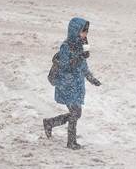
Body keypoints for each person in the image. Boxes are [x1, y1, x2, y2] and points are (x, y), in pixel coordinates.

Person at [43, 17, 101, 150]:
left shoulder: (82, 44)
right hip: (66, 84)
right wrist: (78, 57)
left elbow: (83, 67)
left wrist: (91, 78)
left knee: (76, 113)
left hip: (77, 85)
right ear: (75, 31)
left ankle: (50, 123)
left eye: (86, 32)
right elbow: (64, 66)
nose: (85, 34)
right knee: (75, 113)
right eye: (83, 31)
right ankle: (71, 141)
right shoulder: (66, 46)